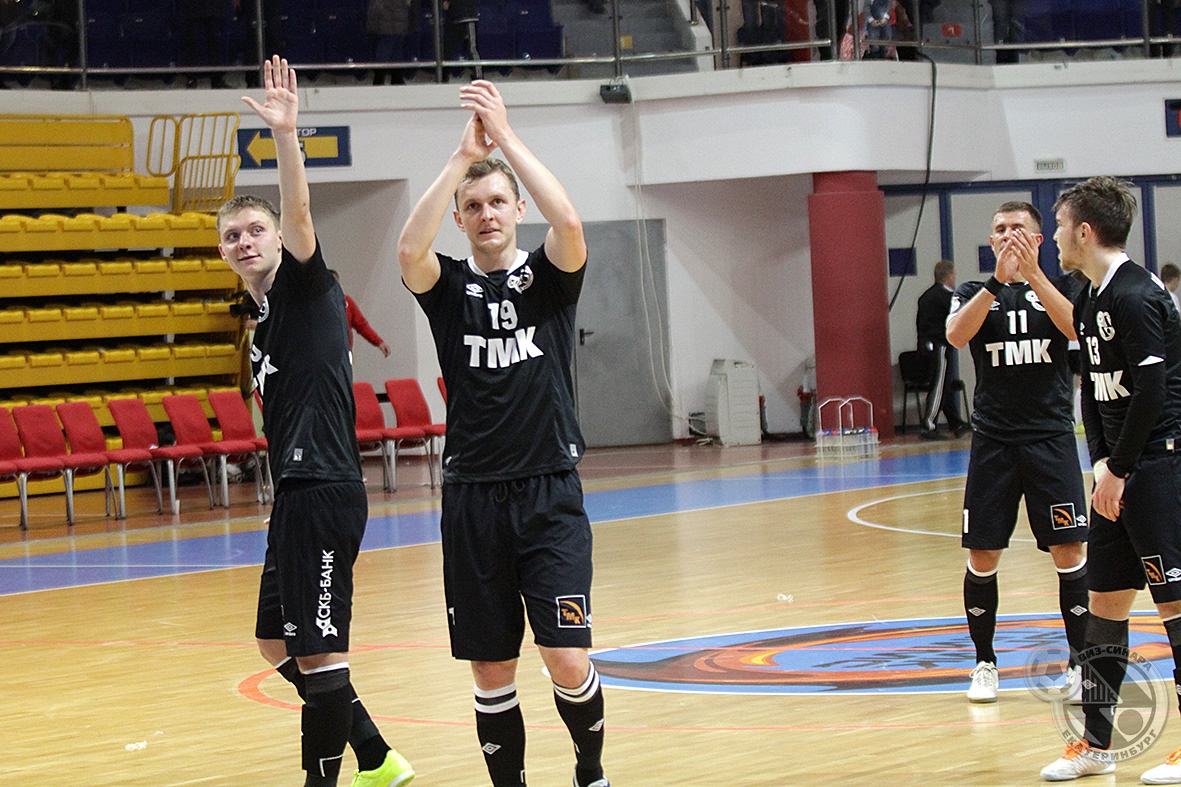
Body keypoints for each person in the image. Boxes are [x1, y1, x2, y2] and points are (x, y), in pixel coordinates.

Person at [397, 80, 608, 787]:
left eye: (496, 202)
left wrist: (507, 139)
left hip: (549, 491)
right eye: (473, 206)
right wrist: (460, 161)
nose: (485, 214)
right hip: (472, 497)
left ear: (518, 210)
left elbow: (569, 222)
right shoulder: (448, 288)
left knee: (566, 656)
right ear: (459, 219)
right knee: (491, 667)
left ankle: (589, 770)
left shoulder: (549, 278)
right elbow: (408, 248)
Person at [217, 56, 414, 787]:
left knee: (321, 653)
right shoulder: (263, 322)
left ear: (277, 240)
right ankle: (378, 756)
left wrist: (285, 136)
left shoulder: (307, 287)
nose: (244, 242)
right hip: (294, 495)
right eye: (231, 236)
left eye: (254, 230)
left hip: (325, 487)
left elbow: (299, 213)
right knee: (276, 642)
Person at [1038, 176, 1181, 783]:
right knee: (1105, 603)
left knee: (1173, 602)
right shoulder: (1089, 297)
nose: (1053, 237)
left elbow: (1151, 393)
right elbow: (1092, 392)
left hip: (1158, 467)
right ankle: (1096, 745)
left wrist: (1120, 469)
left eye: (1059, 225)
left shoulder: (1137, 295)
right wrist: (1100, 463)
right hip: (1116, 473)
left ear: (1085, 231)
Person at [945, 201, 1089, 705]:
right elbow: (956, 335)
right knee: (983, 554)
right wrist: (997, 283)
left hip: (1051, 438)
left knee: (1069, 551)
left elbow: (1076, 329)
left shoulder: (1066, 286)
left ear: (1039, 239)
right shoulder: (972, 292)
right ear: (991, 240)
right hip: (994, 441)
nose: (1009, 236)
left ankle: (1080, 663)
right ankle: (985, 663)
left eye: (1019, 229)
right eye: (1001, 229)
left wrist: (1032, 276)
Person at [916, 259, 969, 438]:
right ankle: (928, 424)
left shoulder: (925, 296)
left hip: (926, 346)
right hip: (939, 346)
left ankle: (955, 422)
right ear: (949, 276)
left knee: (944, 385)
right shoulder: (946, 297)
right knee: (938, 385)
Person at [330, 271, 392, 357]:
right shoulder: (317, 305)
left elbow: (361, 325)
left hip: (344, 354)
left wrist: (379, 342)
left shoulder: (347, 303)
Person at [367, 0, 418, 85]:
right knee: (394, 51)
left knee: (388, 51)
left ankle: (382, 78)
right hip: (396, 19)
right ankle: (395, 78)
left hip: (388, 20)